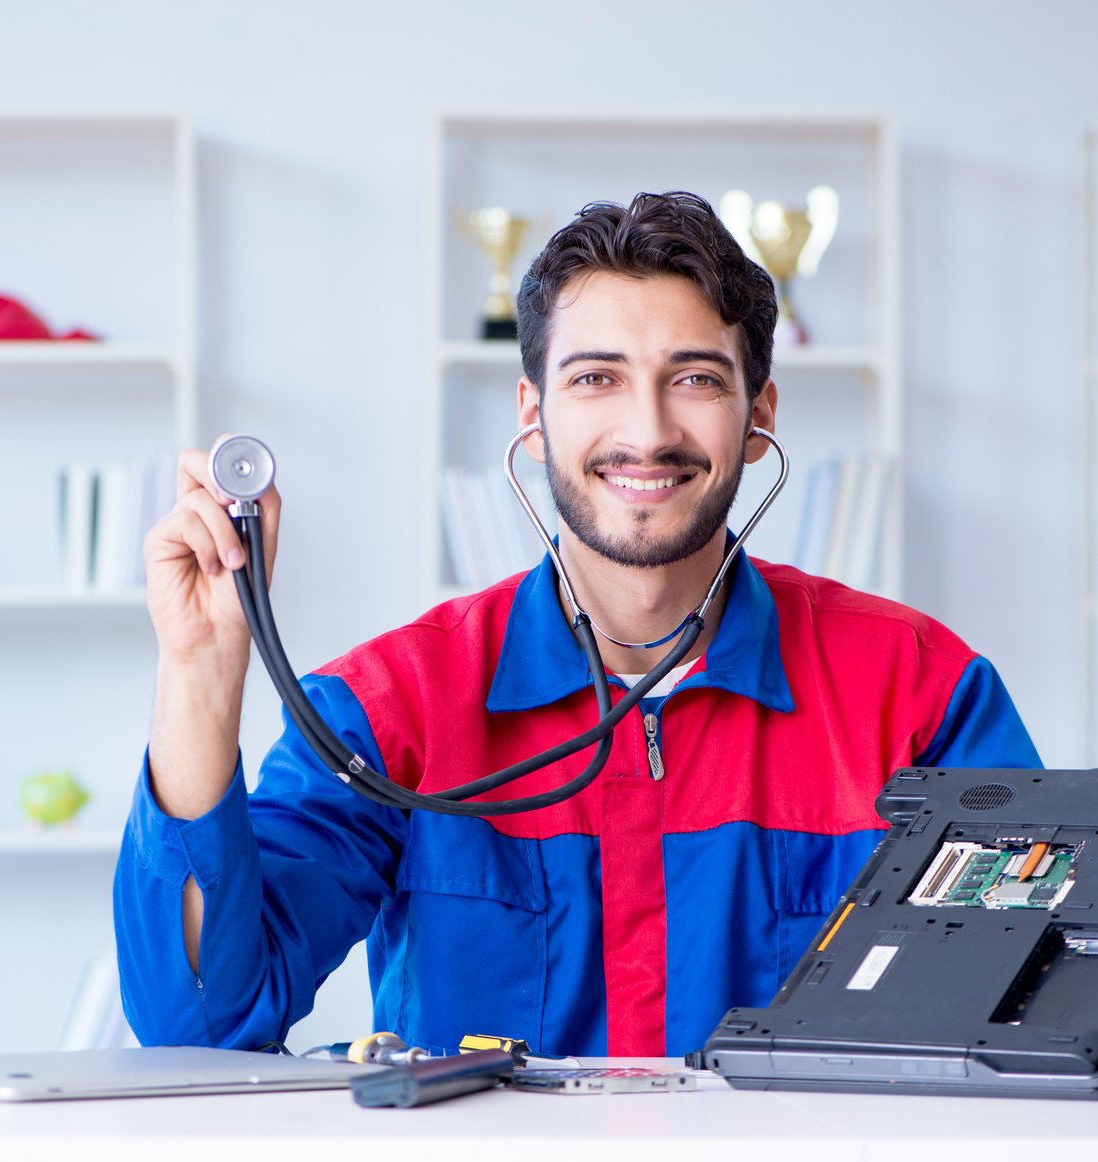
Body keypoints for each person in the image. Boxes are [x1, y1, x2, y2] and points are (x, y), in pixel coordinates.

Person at [113, 191, 1040, 1058]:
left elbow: (1024, 1008)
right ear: (534, 412)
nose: (647, 429)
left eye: (696, 379)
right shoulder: (385, 709)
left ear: (758, 416)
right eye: (597, 377)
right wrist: (199, 670)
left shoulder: (921, 692)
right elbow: (203, 1022)